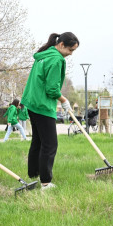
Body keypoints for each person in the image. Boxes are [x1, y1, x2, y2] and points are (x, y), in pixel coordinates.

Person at [21, 32, 79, 190]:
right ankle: (45, 182)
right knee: (50, 144)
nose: (70, 54)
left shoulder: (43, 55)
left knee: (38, 141)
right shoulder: (56, 59)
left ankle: (33, 175)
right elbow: (52, 89)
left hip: (32, 102)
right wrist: (64, 100)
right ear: (61, 45)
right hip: (42, 105)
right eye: (70, 50)